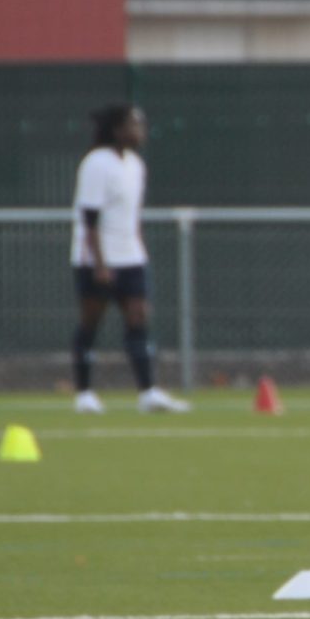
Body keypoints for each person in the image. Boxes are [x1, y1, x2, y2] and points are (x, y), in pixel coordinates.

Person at [69, 103, 189, 415]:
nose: (140, 131)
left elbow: (131, 217)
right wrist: (100, 264)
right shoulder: (96, 163)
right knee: (91, 323)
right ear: (117, 129)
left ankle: (148, 392)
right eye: (134, 125)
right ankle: (84, 394)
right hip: (96, 259)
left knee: (138, 318)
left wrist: (138, 252)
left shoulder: (135, 165)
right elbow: (89, 218)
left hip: (131, 256)